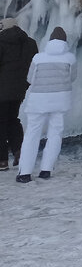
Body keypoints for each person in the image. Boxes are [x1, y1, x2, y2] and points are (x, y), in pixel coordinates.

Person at [16, 26, 75, 183]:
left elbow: (30, 78)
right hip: (60, 100)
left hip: (38, 100)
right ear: (64, 42)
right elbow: (72, 77)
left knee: (32, 135)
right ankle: (46, 170)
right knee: (55, 133)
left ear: (49, 41)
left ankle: (25, 173)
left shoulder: (38, 57)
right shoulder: (70, 58)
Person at [0, 18, 39, 170]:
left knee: (1, 123)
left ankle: (2, 161)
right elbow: (33, 67)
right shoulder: (31, 43)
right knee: (13, 120)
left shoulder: (1, 42)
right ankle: (20, 151)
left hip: (1, 91)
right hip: (19, 91)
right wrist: (25, 85)